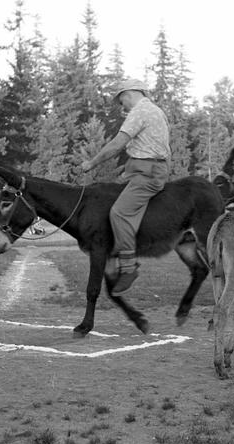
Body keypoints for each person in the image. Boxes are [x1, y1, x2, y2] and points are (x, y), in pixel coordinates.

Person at [80, 79, 170, 295]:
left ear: (129, 94)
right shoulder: (155, 111)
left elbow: (117, 144)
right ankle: (114, 252)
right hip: (147, 169)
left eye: (122, 101)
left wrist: (92, 163)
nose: (122, 107)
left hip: (147, 173)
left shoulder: (139, 112)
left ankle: (128, 268)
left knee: (119, 213)